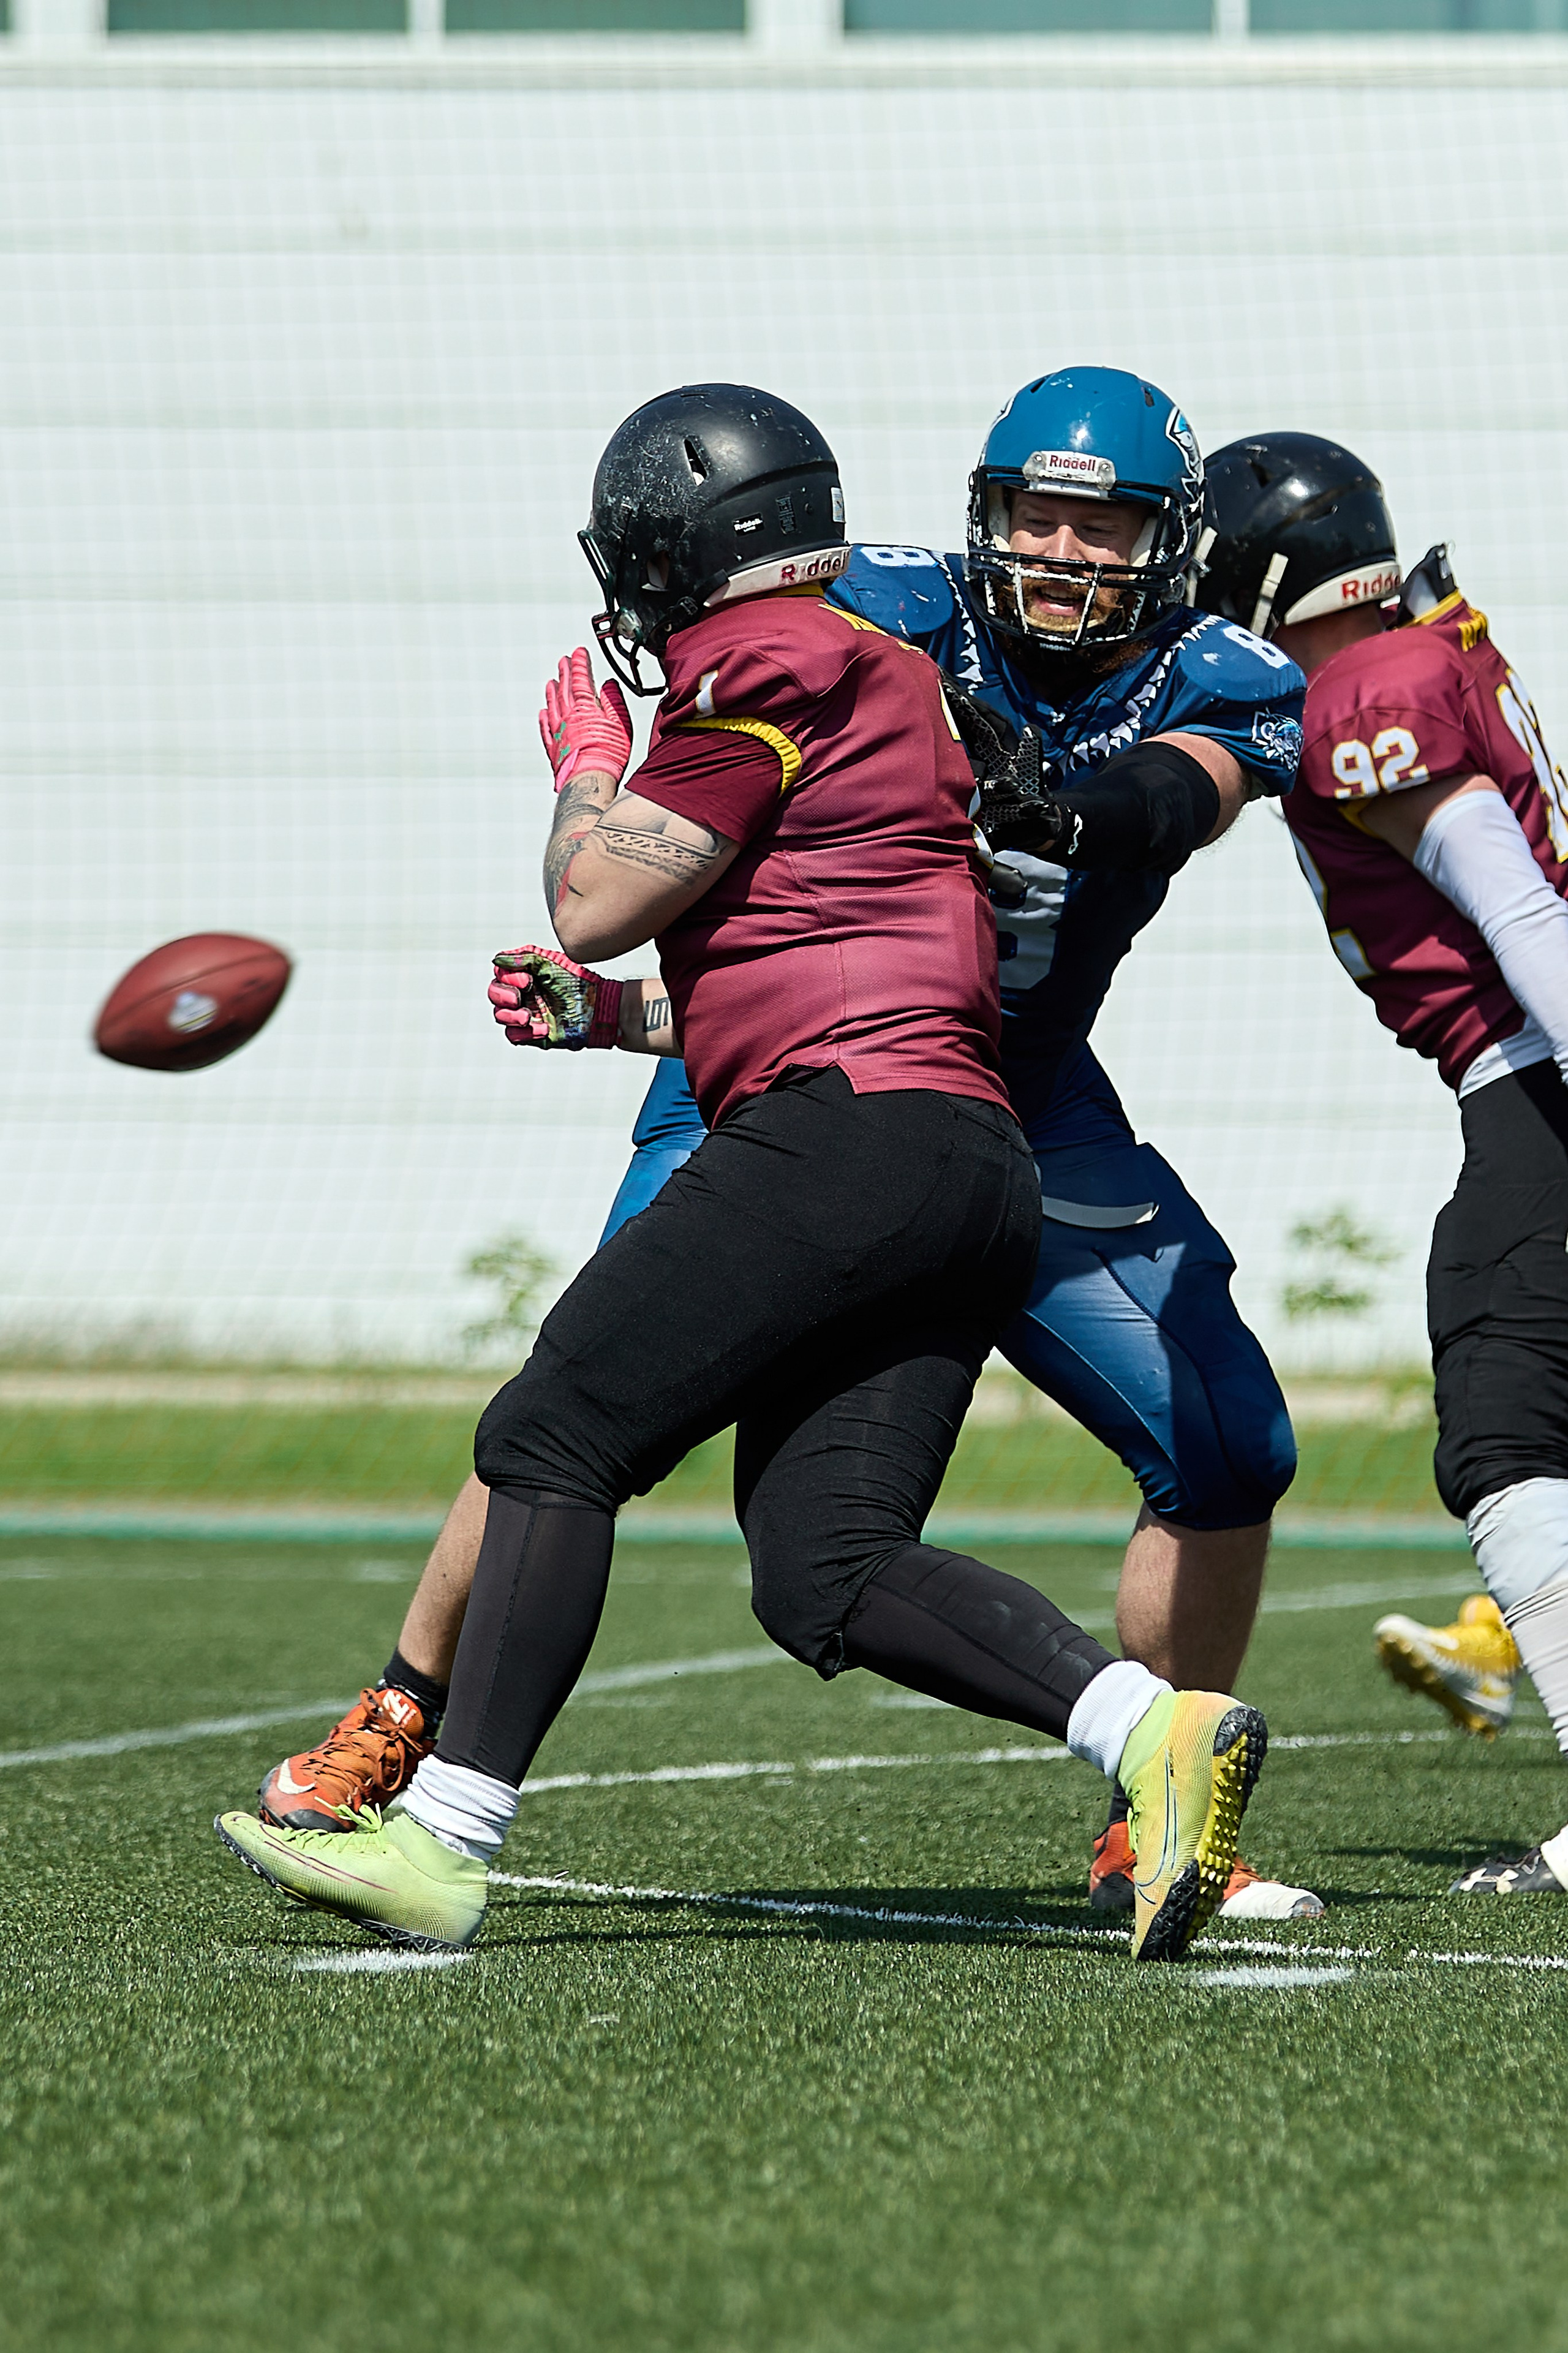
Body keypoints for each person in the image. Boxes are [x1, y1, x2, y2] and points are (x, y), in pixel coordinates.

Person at [216, 382, 1267, 1961]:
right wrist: (628, 1024)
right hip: (966, 1151)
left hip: (841, 1133)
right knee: (823, 1567)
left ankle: (439, 1832)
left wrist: (586, 757)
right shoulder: (899, 682)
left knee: (555, 1429)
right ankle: (1143, 1729)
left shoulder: (778, 653)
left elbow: (591, 897)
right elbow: (824, 936)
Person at [1198, 430, 1568, 1898]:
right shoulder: (1410, 654)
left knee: (1501, 1430)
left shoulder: (1369, 691)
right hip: (1520, 1080)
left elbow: (1515, 904)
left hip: (1530, 1081)